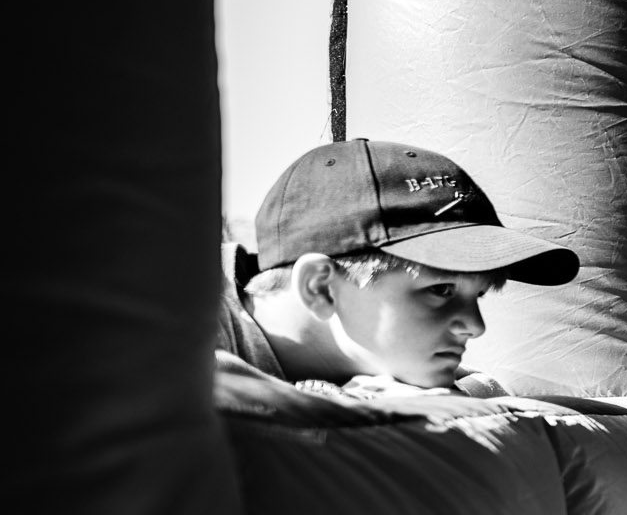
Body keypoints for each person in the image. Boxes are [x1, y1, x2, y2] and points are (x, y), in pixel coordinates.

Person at [217, 138, 579, 407]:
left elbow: (481, 388)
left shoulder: (373, 351)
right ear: (321, 288)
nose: (475, 326)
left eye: (479, 294)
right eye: (441, 290)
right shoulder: (179, 334)